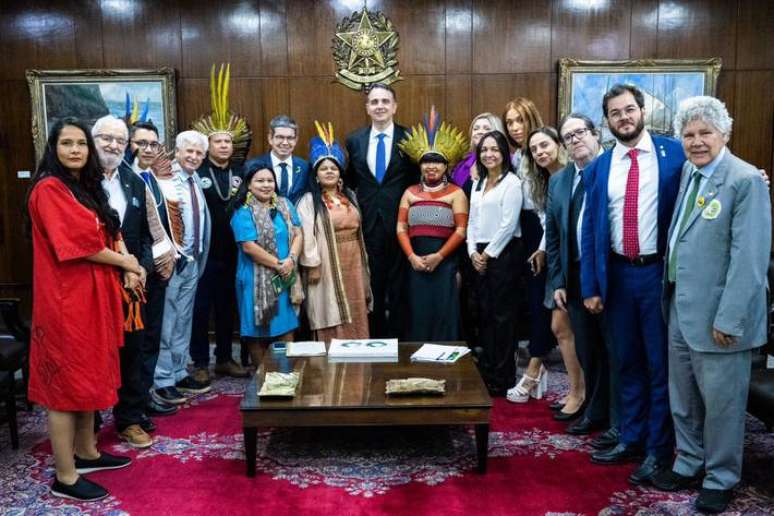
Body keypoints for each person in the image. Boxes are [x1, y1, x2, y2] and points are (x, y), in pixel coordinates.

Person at [652, 96, 771, 514]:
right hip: (682, 309)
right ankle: (688, 461)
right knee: (683, 396)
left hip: (721, 318)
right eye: (689, 134)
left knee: (722, 405)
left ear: (725, 134)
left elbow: (751, 259)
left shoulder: (745, 181)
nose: (697, 142)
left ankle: (721, 477)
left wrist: (731, 317)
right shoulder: (690, 171)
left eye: (706, 133)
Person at [26, 118, 138, 501]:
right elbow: (77, 245)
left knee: (90, 374)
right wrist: (126, 264)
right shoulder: (49, 188)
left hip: (93, 297)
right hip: (65, 302)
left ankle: (87, 451)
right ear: (53, 149)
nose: (75, 150)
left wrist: (128, 262)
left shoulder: (82, 187)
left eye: (81, 144)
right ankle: (65, 476)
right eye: (66, 143)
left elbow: (109, 232)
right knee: (64, 388)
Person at [581, 84, 683, 484]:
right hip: (618, 276)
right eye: (615, 113)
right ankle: (632, 436)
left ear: (641, 112)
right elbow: (590, 232)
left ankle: (659, 450)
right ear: (607, 121)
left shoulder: (673, 154)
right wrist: (591, 286)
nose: (623, 118)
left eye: (629, 110)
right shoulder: (601, 167)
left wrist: (756, 178)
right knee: (626, 362)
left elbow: (713, 177)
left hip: (658, 274)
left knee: (659, 365)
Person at [508, 128, 584, 422]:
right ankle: (577, 392)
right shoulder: (552, 180)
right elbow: (548, 222)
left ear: (559, 144)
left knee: (567, 327)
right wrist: (543, 250)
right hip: (556, 257)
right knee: (561, 327)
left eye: (544, 145)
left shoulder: (575, 173)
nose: (540, 152)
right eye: (534, 149)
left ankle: (579, 393)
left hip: (575, 259)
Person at [545, 114, 613, 439]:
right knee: (586, 347)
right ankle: (594, 409)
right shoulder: (560, 180)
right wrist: (557, 281)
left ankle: (613, 417)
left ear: (595, 134)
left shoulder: (613, 168)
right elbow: (554, 235)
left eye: (580, 133)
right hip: (573, 277)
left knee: (612, 350)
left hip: (610, 277)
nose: (575, 140)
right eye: (568, 137)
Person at [92, 115, 154, 448]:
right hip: (93, 282)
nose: (113, 145)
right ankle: (89, 422)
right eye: (106, 139)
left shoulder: (133, 182)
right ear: (93, 140)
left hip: (131, 286)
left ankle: (129, 419)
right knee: (97, 353)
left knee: (133, 351)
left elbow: (144, 235)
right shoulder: (79, 183)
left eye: (119, 140)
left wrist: (141, 268)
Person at [345, 83, 419, 338]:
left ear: (394, 106)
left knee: (400, 288)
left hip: (402, 225)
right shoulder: (354, 140)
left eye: (385, 101)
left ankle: (400, 342)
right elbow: (351, 180)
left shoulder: (410, 139)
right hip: (367, 225)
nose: (380, 106)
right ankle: (375, 340)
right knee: (372, 286)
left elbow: (417, 180)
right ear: (367, 107)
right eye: (374, 102)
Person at [397, 107, 469, 340]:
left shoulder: (456, 193)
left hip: (445, 264)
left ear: (446, 165)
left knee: (444, 315)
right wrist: (411, 257)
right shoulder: (409, 193)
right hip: (415, 264)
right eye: (426, 161)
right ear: (419, 165)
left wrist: (439, 256)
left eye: (437, 162)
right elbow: (401, 228)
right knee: (417, 315)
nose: (431, 166)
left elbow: (461, 230)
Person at [153, 130, 213, 405]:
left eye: (199, 153)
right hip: (172, 263)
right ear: (177, 151)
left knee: (183, 320)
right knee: (167, 322)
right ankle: (162, 379)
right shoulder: (164, 179)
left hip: (192, 262)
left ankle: (178, 372)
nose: (194, 156)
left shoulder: (193, 180)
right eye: (189, 151)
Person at [125, 121, 180, 418]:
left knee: (152, 337)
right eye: (140, 143)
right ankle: (132, 406)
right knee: (135, 342)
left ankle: (145, 396)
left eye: (153, 144)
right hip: (132, 273)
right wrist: (143, 265)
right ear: (129, 144)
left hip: (158, 271)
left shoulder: (156, 178)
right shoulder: (123, 179)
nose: (147, 149)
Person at [297, 122, 371, 341]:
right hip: (326, 261)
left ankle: (358, 352)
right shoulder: (309, 201)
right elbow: (306, 236)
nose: (329, 171)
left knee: (356, 305)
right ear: (316, 175)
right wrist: (312, 265)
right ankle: (330, 361)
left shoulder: (350, 196)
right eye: (323, 168)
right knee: (329, 306)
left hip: (353, 260)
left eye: (333, 167)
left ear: (340, 172)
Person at [190, 129, 249, 384]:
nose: (224, 146)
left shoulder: (241, 171)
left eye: (227, 141)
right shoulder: (197, 172)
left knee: (228, 308)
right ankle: (201, 362)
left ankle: (225, 358)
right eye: (218, 141)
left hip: (235, 252)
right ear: (208, 145)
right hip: (204, 253)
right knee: (201, 309)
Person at [467, 130, 524, 395]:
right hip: (478, 253)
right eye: (484, 150)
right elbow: (471, 221)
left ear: (504, 154)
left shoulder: (512, 182)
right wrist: (472, 252)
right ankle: (488, 371)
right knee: (484, 315)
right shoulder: (477, 183)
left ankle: (503, 377)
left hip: (504, 254)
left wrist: (487, 255)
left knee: (503, 317)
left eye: (495, 150)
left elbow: (508, 224)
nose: (489, 154)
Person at [230, 163, 303, 365]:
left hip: (284, 276)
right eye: (260, 181)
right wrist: (279, 264)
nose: (266, 185)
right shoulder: (243, 211)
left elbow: (298, 233)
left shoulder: (285, 204)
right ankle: (262, 379)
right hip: (254, 279)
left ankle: (285, 373)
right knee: (258, 331)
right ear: (249, 185)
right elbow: (248, 247)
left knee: (286, 326)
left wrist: (291, 259)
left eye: (269, 180)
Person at [244, 115, 310, 204]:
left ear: (296, 140)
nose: (285, 143)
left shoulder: (305, 167)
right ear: (270, 138)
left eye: (290, 138)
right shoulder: (252, 165)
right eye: (280, 137)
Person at [450, 112, 505, 194]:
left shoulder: (506, 160)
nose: (479, 132)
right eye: (476, 129)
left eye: (486, 128)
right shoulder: (463, 163)